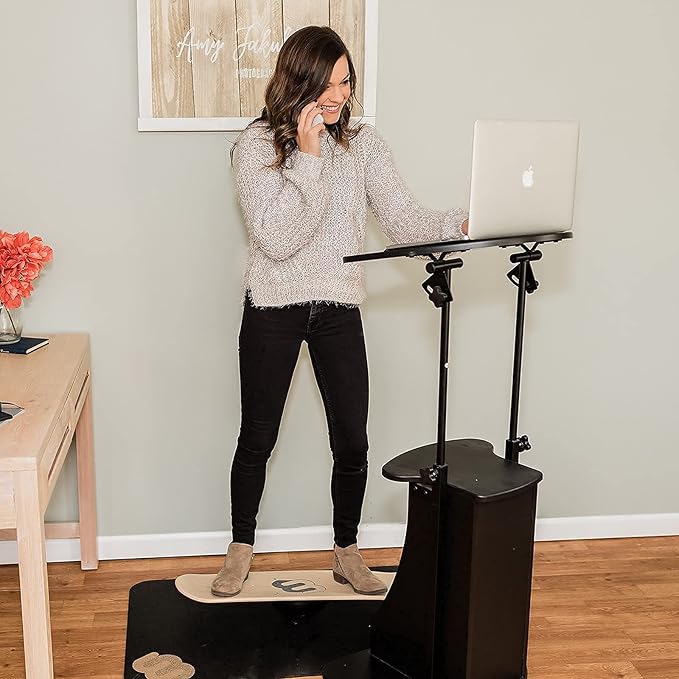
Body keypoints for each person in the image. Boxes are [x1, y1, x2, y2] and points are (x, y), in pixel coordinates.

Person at [211, 25, 468, 597]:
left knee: (352, 439)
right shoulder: (254, 146)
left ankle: (347, 551)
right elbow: (277, 238)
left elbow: (403, 219)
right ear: (295, 81)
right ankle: (240, 548)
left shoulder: (364, 145)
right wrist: (306, 159)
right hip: (273, 306)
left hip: (339, 306)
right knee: (258, 435)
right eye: (325, 83)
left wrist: (462, 222)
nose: (337, 94)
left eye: (346, 80)